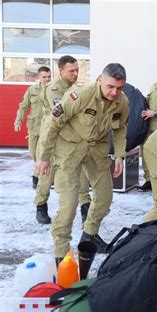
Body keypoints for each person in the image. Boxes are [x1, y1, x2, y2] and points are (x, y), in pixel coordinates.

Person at [36, 63, 129, 262]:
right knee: (68, 206)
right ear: (100, 80)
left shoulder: (122, 102)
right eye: (110, 86)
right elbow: (54, 122)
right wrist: (44, 156)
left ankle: (89, 235)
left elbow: (120, 128)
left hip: (96, 150)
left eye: (119, 88)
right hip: (70, 149)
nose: (114, 92)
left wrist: (120, 155)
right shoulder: (80, 95)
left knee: (104, 197)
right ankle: (61, 254)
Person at [34, 56, 92, 225]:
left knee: (79, 174)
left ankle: (85, 207)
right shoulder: (54, 89)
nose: (75, 74)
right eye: (71, 71)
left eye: (77, 70)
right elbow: (62, 114)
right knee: (46, 176)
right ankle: (41, 205)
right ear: (60, 71)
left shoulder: (76, 88)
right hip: (52, 139)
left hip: (70, 140)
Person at [13, 66, 51, 189]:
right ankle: (38, 173)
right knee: (33, 153)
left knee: (43, 153)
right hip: (34, 127)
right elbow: (23, 106)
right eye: (44, 77)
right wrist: (18, 121)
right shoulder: (32, 90)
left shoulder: (54, 90)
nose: (47, 79)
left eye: (49, 76)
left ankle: (38, 177)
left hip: (48, 127)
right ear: (39, 77)